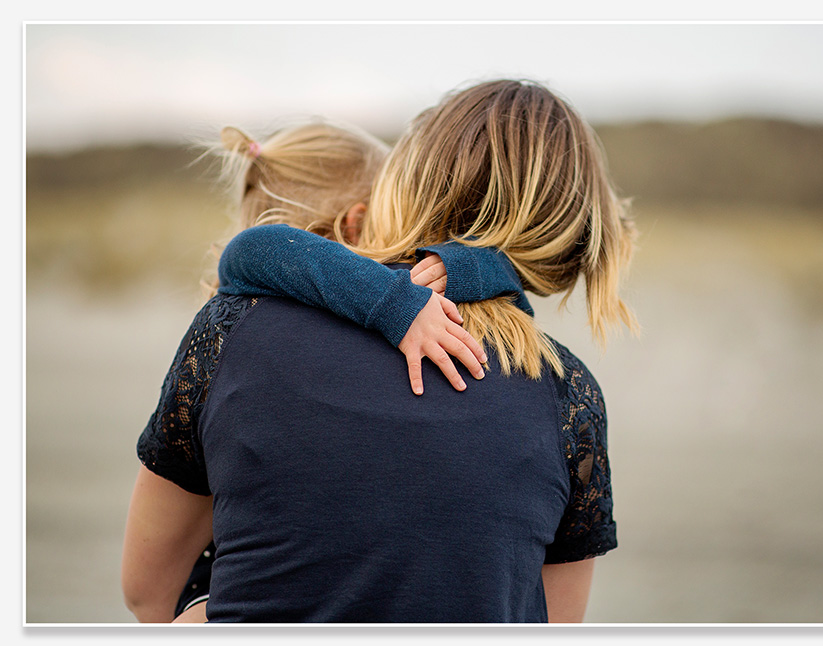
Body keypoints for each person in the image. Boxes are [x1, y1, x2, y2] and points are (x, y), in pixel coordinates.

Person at [126, 79, 637, 623]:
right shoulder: (567, 398)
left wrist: (209, 609)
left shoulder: (235, 329)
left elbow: (147, 593)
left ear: (411, 176)